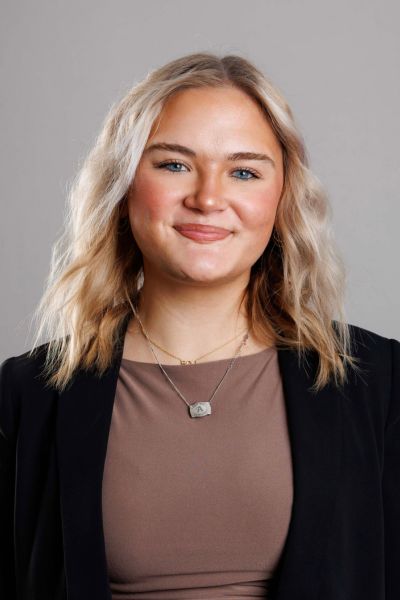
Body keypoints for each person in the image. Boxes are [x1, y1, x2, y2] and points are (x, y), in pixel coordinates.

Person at [0, 52, 399, 600]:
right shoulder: (28, 396)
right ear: (123, 185)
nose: (208, 199)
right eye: (173, 165)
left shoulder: (381, 384)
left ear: (283, 197)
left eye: (244, 172)